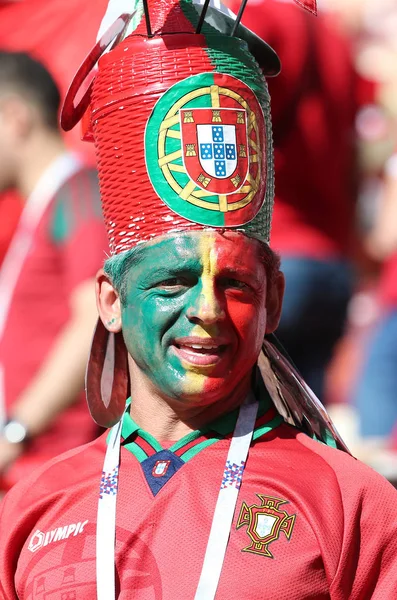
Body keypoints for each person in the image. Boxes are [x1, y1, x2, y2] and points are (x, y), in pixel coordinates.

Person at [1, 2, 397, 598]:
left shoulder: (351, 503)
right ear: (110, 299)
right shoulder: (33, 508)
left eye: (236, 285)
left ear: (275, 301)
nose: (208, 310)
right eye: (173, 284)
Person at [232, 0, 364, 399]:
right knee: (307, 436)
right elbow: (353, 158)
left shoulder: (256, 18)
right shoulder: (334, 37)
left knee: (246, 436)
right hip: (332, 263)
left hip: (274, 254)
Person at [0, 52, 108, 492]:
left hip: (58, 474)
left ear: (15, 117)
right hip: (37, 473)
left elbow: (95, 319)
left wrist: (15, 431)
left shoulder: (77, 193)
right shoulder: (49, 203)